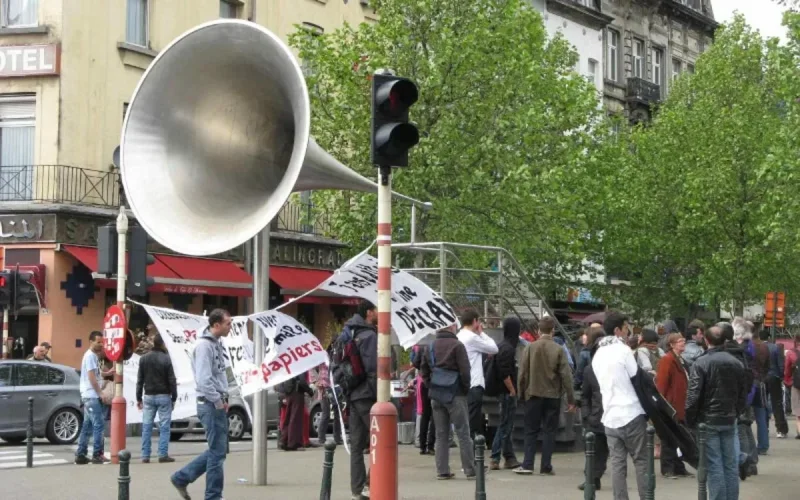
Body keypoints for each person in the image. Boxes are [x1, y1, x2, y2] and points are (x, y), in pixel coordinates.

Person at [171, 309, 232, 500]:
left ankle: (182, 477)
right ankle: (213, 496)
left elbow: (218, 374)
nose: (230, 326)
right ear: (216, 325)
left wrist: (224, 398)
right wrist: (217, 401)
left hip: (216, 402)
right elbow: (204, 380)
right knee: (217, 452)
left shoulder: (215, 344)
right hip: (210, 404)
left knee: (220, 450)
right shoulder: (205, 346)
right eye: (227, 323)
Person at [685, 325, 747, 500]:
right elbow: (743, 392)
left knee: (714, 465)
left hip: (708, 420)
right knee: (729, 464)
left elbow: (693, 395)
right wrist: (736, 412)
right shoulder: (737, 362)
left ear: (706, 340)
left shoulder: (701, 363)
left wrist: (690, 420)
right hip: (728, 418)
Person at [592, 312, 648, 500]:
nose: (628, 332)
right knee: (641, 461)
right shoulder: (623, 351)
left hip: (610, 416)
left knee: (617, 464)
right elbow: (636, 378)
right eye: (625, 328)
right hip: (631, 412)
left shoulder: (598, 354)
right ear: (617, 330)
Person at [514, 316, 576, 476]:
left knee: (531, 430)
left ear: (538, 331)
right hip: (553, 395)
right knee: (550, 431)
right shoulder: (559, 349)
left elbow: (522, 374)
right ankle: (546, 465)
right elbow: (566, 376)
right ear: (553, 330)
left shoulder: (529, 348)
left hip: (533, 393)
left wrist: (521, 394)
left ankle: (528, 464)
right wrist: (571, 399)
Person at [420, 321, 477, 480]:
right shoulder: (457, 346)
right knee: (463, 433)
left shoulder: (429, 346)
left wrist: (430, 384)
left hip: (436, 395)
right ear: (452, 327)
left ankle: (442, 470)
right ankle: (469, 469)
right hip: (456, 394)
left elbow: (423, 370)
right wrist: (465, 389)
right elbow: (465, 372)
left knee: (441, 434)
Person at [346, 300, 378, 500]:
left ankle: (357, 489)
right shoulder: (369, 336)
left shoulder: (349, 332)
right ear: (369, 313)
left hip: (352, 393)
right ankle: (370, 485)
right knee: (383, 440)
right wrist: (381, 399)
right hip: (367, 395)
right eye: (375, 310)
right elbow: (373, 369)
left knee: (356, 445)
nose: (378, 313)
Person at [456, 308, 498, 439]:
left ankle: (471, 443)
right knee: (474, 417)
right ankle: (474, 447)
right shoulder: (472, 338)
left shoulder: (459, 336)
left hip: (463, 383)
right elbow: (494, 348)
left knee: (467, 415)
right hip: (474, 382)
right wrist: (482, 334)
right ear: (475, 321)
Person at [655, 332, 692, 478]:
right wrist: (663, 405)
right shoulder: (667, 360)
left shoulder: (680, 360)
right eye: (679, 341)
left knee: (678, 438)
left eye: (683, 340)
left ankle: (678, 467)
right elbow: (661, 385)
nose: (683, 343)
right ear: (671, 345)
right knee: (669, 439)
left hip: (679, 405)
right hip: (671, 406)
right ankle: (668, 468)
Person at [136, 333, 177, 463]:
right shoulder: (166, 359)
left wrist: (138, 398)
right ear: (163, 344)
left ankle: (145, 455)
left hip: (148, 395)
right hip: (164, 395)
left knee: (147, 426)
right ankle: (162, 454)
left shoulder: (144, 359)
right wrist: (174, 397)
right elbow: (172, 380)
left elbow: (140, 380)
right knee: (164, 426)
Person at [74, 331, 112, 465]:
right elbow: (91, 376)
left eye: (102, 342)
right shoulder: (90, 356)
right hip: (91, 395)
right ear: (91, 342)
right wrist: (100, 393)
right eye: (98, 342)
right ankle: (97, 454)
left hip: (88, 395)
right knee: (99, 425)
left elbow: (95, 372)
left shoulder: (92, 356)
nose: (101, 344)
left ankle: (81, 454)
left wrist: (107, 373)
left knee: (87, 426)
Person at [578, 325, 608, 492]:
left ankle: (593, 477)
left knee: (599, 449)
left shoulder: (596, 366)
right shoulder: (591, 368)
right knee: (595, 448)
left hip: (603, 413)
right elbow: (585, 394)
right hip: (596, 414)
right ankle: (592, 477)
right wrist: (587, 414)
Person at [489, 317, 521, 471]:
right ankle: (495, 457)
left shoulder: (501, 346)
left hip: (502, 391)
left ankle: (509, 457)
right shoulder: (507, 348)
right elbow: (504, 372)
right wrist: (512, 389)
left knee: (506, 424)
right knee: (505, 425)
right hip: (506, 392)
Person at [761, 329, 788, 438]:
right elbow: (781, 364)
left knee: (762, 404)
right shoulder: (775, 347)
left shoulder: (758, 348)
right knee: (777, 403)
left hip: (762, 377)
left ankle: (764, 428)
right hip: (774, 376)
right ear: (768, 337)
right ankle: (781, 429)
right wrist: (781, 376)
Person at [278, 374, 314, 451]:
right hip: (297, 392)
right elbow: (302, 381)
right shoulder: (299, 364)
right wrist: (310, 391)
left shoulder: (290, 364)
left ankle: (284, 440)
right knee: (295, 419)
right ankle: (293, 443)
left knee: (288, 417)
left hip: (288, 392)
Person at [314, 361, 343, 446]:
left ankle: (337, 438)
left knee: (338, 414)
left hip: (336, 388)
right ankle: (321, 438)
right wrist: (316, 382)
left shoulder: (334, 355)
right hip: (324, 389)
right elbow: (312, 370)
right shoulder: (320, 357)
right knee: (326, 414)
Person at [784, 335, 800, 437]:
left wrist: (788, 380)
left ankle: (799, 430)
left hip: (797, 383)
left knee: (797, 408)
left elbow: (787, 369)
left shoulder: (791, 353)